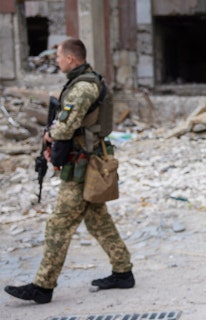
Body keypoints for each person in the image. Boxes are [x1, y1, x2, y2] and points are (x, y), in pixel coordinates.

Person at [4, 38, 134, 304]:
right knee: (98, 219)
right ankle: (123, 271)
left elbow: (66, 126)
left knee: (59, 225)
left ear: (71, 59)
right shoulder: (83, 82)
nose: (57, 61)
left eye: (59, 57)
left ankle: (43, 286)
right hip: (84, 160)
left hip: (83, 165)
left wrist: (50, 135)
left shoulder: (83, 87)